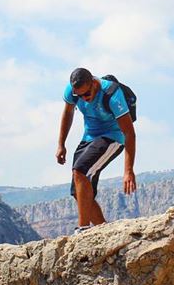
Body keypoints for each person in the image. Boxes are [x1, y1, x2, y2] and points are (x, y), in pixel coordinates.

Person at [56, 67, 136, 232]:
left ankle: (83, 229)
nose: (84, 99)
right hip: (90, 137)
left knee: (80, 171)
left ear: (93, 83)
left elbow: (129, 133)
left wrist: (128, 170)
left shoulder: (112, 94)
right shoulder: (72, 91)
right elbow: (68, 113)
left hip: (113, 137)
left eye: (87, 94)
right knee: (78, 192)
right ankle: (104, 232)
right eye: (79, 96)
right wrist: (61, 144)